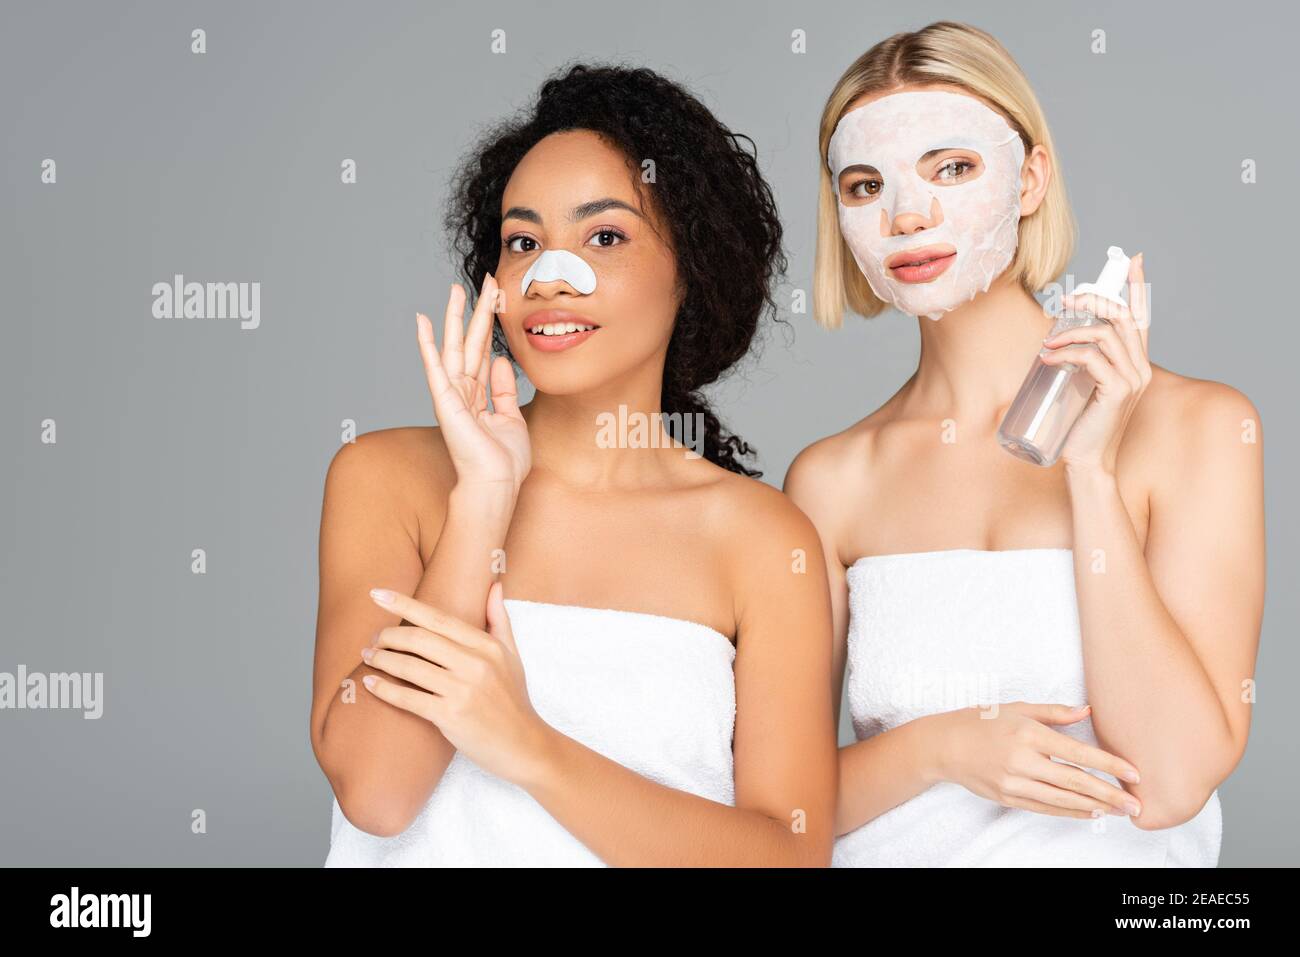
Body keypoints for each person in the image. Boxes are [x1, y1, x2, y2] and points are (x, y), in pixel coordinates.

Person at [311, 63, 836, 866]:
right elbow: (379, 794)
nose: (552, 278)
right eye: (524, 242)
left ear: (691, 270)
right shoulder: (388, 479)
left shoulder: (764, 539)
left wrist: (529, 747)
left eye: (604, 237)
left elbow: (788, 855)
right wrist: (485, 495)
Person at [786, 21, 1264, 866]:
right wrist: (946, 747)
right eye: (865, 186)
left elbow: (1173, 776)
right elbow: (780, 812)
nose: (908, 212)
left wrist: (1090, 473)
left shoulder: (1198, 428)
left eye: (954, 167)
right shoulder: (832, 482)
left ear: (1032, 178)